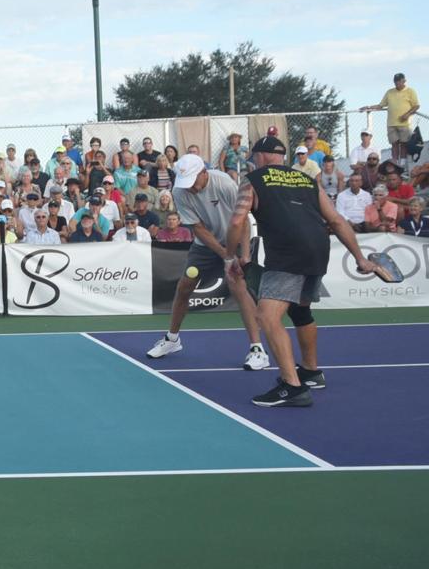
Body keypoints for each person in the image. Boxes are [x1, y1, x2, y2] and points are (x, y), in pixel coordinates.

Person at [227, 135, 377, 407]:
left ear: (260, 156)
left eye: (254, 157)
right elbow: (336, 219)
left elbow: (238, 219)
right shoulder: (307, 180)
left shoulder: (253, 179)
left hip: (287, 252)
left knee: (268, 316)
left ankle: (291, 387)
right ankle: (310, 371)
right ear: (283, 157)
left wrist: (230, 255)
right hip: (318, 249)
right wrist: (360, 258)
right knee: (300, 310)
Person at [147, 153, 268, 370]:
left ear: (204, 172)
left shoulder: (224, 183)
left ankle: (257, 350)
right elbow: (199, 229)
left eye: (194, 181)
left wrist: (244, 255)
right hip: (206, 245)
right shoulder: (180, 192)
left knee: (238, 287)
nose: (191, 187)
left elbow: (242, 219)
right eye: (187, 183)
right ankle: (172, 340)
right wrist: (225, 255)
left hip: (237, 238)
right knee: (184, 286)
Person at [363, 73, 420, 167]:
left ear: (404, 81)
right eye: (395, 81)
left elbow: (416, 105)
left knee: (404, 144)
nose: (397, 83)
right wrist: (368, 107)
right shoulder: (389, 92)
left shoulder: (410, 91)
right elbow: (381, 105)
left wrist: (407, 114)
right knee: (394, 144)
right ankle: (395, 163)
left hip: (405, 124)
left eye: (399, 81)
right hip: (391, 123)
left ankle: (402, 165)